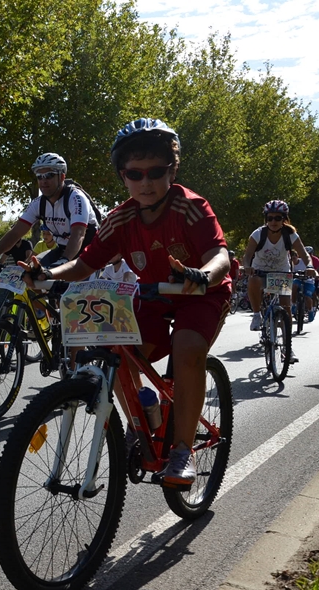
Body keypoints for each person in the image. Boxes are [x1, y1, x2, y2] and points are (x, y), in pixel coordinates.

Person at [22, 118, 231, 488]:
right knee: (117, 353)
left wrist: (201, 275)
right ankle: (142, 420)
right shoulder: (120, 218)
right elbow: (84, 263)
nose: (146, 182)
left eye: (156, 172)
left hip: (201, 293)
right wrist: (49, 274)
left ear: (173, 170)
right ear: (123, 175)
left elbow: (220, 256)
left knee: (187, 350)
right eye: (135, 173)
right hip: (153, 295)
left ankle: (183, 450)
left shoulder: (191, 207)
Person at [0, 152, 98, 270]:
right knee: (30, 271)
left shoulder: (76, 198)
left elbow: (79, 234)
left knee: (71, 284)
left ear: (62, 177)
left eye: (49, 175)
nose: (43, 180)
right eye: (39, 176)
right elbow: (16, 232)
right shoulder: (38, 203)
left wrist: (64, 260)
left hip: (88, 250)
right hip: (62, 250)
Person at [241, 200, 314, 346]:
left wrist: (310, 266)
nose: (273, 221)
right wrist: (247, 266)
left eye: (278, 218)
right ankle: (256, 315)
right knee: (253, 280)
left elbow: (304, 255)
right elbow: (247, 255)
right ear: (266, 219)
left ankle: (288, 346)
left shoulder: (291, 235)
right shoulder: (258, 234)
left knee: (286, 309)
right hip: (259, 271)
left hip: (281, 272)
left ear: (284, 219)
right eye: (270, 218)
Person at [290, 250, 317, 322]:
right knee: (294, 286)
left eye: (294, 258)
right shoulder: (290, 264)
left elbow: (312, 269)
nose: (293, 260)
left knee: (307, 297)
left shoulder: (304, 262)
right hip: (298, 280)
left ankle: (310, 311)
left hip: (308, 281)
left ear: (297, 256)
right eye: (291, 259)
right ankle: (294, 305)